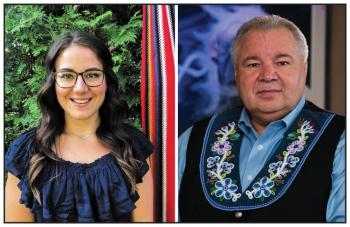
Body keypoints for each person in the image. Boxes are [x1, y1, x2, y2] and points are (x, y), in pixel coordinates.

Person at [178, 15, 345, 222]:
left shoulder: (341, 140)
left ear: (304, 68)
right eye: (253, 64)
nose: (267, 75)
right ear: (236, 73)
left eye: (282, 62)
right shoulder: (192, 139)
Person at [5, 31, 155, 222]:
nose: (80, 88)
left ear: (106, 80)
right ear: (53, 82)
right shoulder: (26, 154)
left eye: (92, 74)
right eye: (67, 76)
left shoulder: (132, 149)